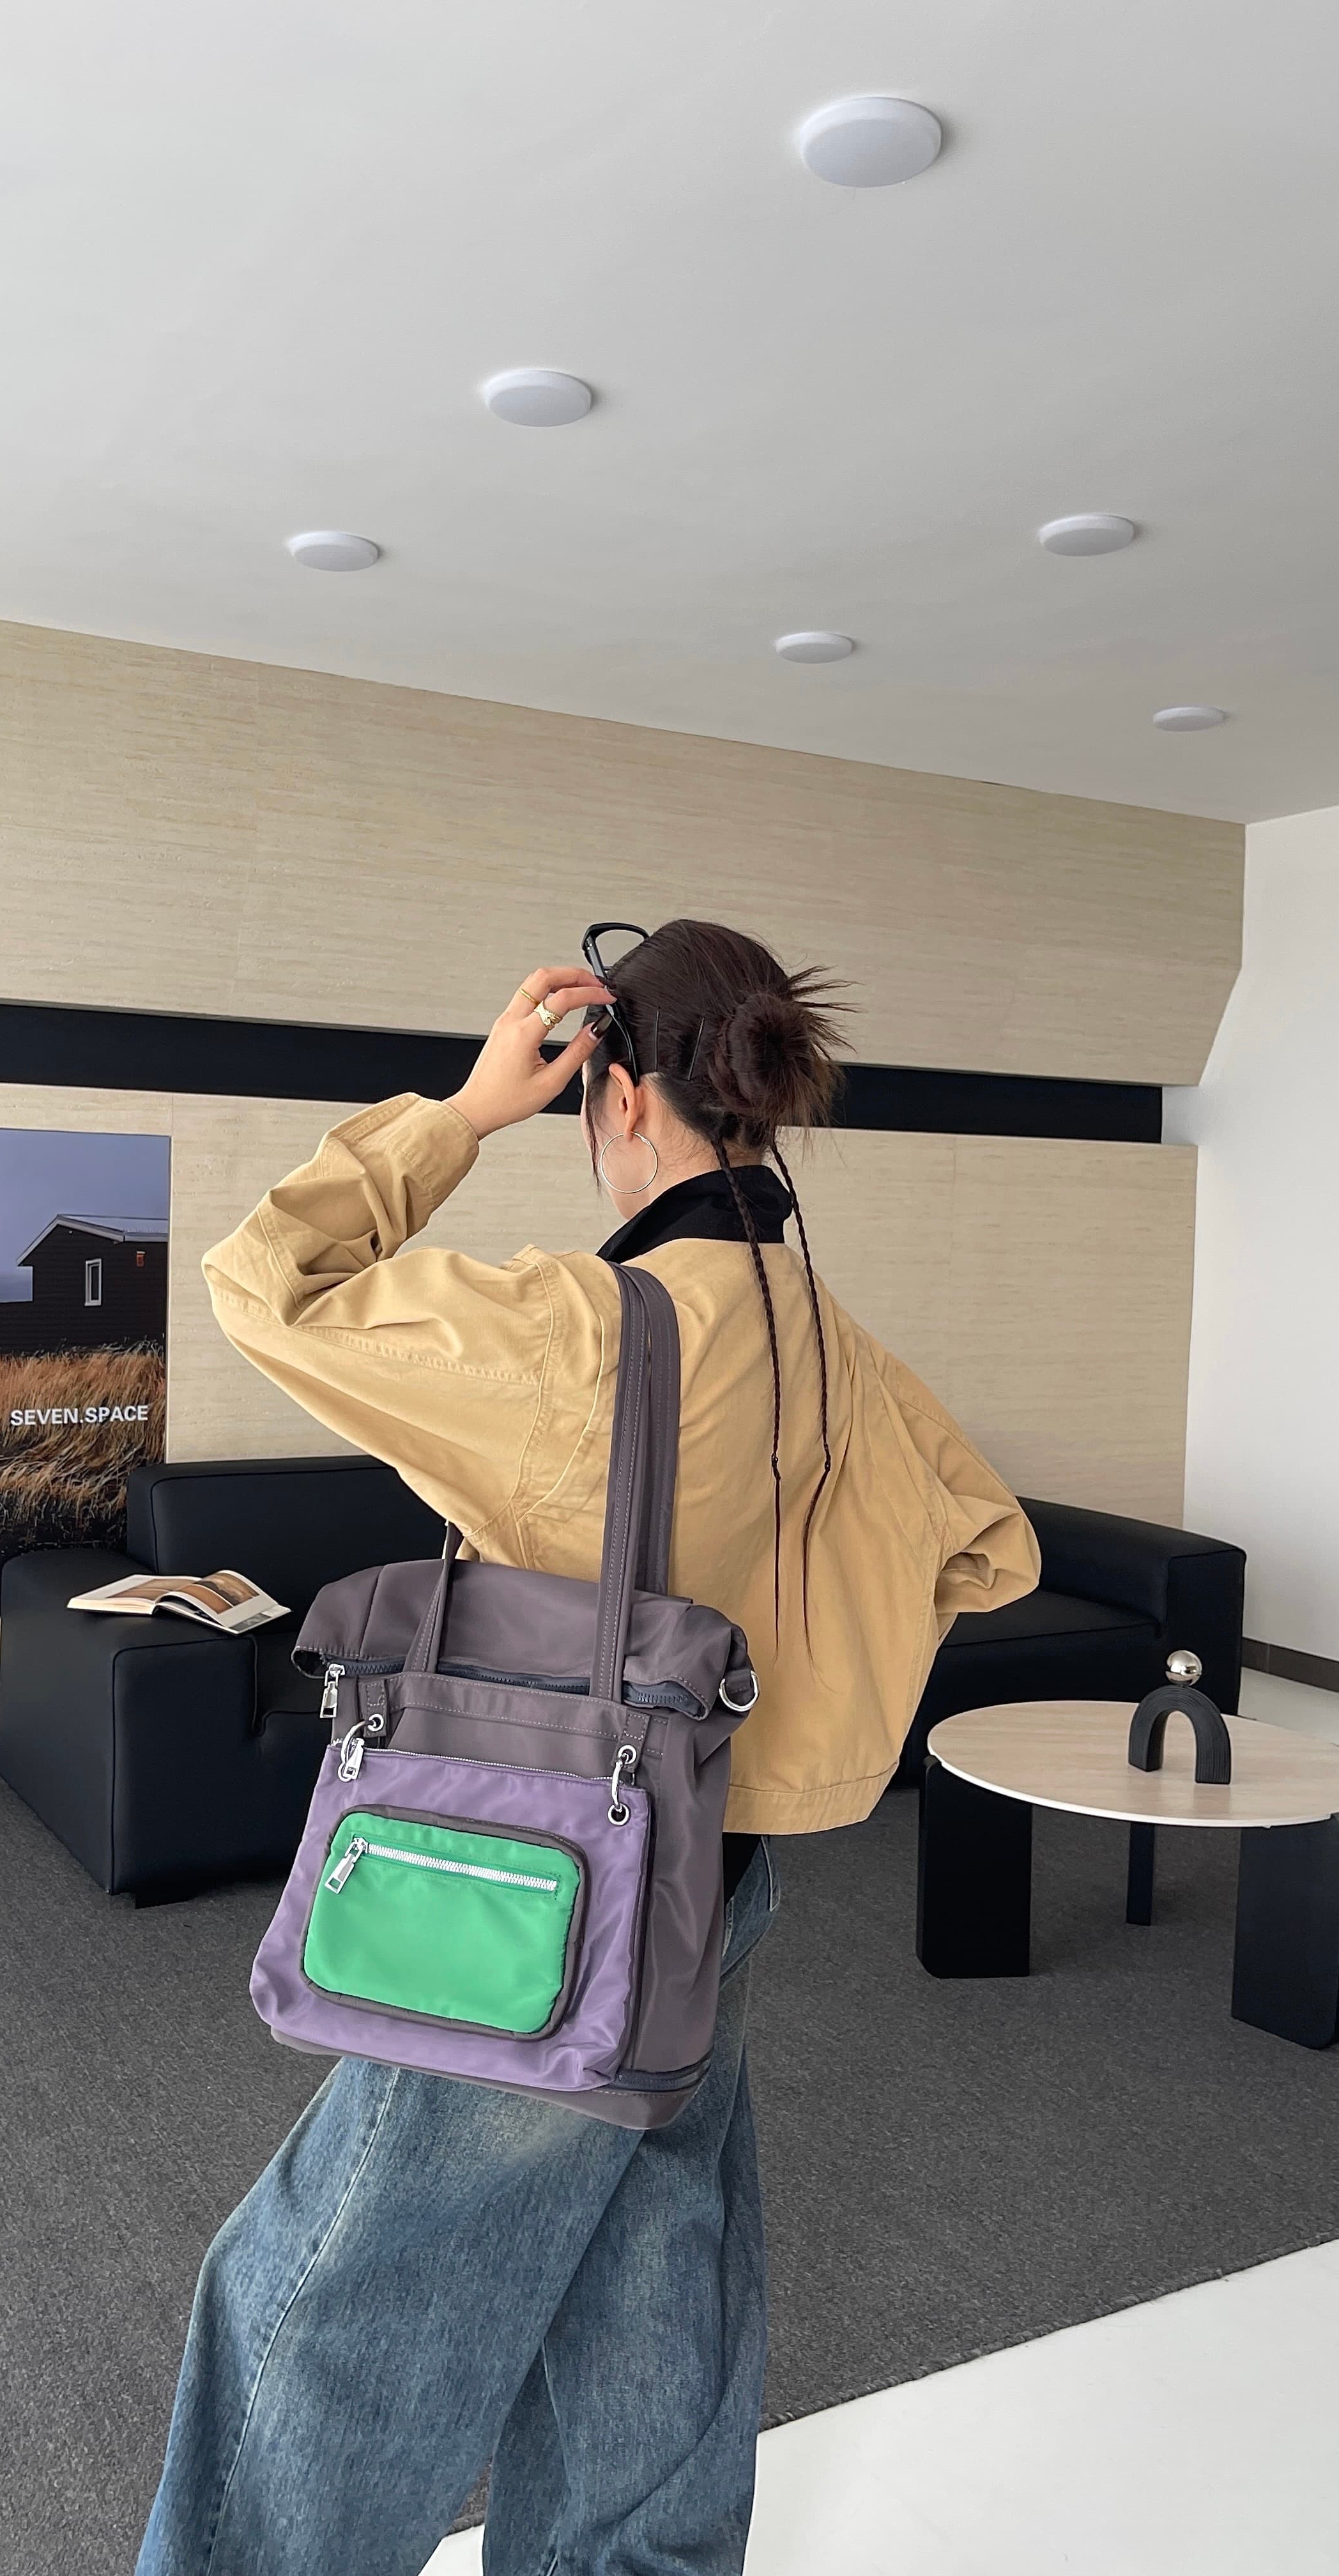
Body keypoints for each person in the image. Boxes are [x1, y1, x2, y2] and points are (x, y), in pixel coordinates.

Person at [137, 917, 1039, 2576]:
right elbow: (995, 1556)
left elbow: (263, 1285)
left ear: (616, 1090)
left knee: (325, 2299)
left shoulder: (586, 1329)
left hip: (547, 1877)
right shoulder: (840, 1345)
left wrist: (465, 1113)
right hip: (728, 1875)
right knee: (652, 2282)